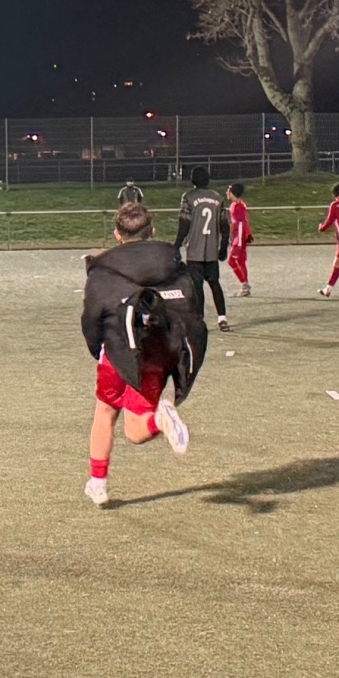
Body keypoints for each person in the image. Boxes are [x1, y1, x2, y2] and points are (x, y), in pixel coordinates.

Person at [79, 201, 203, 507]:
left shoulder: (104, 269)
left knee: (105, 412)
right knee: (136, 430)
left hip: (118, 347)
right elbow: (190, 306)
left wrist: (97, 348)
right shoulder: (172, 263)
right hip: (156, 350)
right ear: (152, 231)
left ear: (117, 235)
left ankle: (98, 484)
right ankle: (159, 419)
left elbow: (91, 317)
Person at [173, 166, 229, 331]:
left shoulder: (188, 197)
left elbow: (184, 223)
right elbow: (225, 225)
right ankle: (222, 318)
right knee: (214, 283)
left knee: (197, 286)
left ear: (193, 179)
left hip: (195, 249)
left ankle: (200, 319)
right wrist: (223, 247)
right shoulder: (217, 198)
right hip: (211, 248)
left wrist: (177, 245)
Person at [225, 183, 252, 297]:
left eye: (228, 190)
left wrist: (231, 236)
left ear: (232, 192)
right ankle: (245, 285)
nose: (227, 192)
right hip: (242, 235)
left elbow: (236, 223)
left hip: (239, 236)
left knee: (232, 261)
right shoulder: (239, 204)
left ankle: (245, 285)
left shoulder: (236, 206)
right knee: (241, 261)